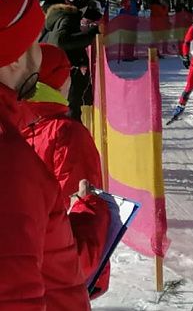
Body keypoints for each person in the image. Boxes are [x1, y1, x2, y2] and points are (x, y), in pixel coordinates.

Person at [0, 0, 93, 310]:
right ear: (12, 58)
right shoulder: (10, 163)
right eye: (32, 45)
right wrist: (93, 215)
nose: (41, 57)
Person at [20, 43, 112, 299]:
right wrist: (91, 205)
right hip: (56, 282)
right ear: (61, 85)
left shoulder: (14, 125)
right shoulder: (66, 133)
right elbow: (73, 239)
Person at [39, 0, 101, 121]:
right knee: (71, 108)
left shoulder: (57, 20)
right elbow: (62, 41)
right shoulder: (69, 17)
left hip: (58, 70)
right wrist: (92, 34)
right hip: (68, 70)